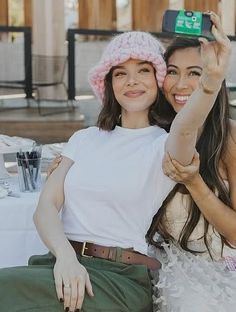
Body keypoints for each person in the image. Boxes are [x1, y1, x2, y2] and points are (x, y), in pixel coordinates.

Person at [0, 22, 230, 312]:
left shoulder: (165, 144)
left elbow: (186, 126)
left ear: (158, 81)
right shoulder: (83, 139)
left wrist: (211, 81)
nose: (132, 81)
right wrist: (66, 259)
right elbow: (46, 206)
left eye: (143, 71)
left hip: (119, 277)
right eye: (121, 73)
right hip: (59, 264)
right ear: (108, 84)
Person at [147, 14, 236, 312]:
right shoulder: (149, 131)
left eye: (195, 72)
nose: (181, 84)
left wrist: (194, 182)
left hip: (223, 265)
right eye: (172, 71)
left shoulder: (229, 138)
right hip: (167, 263)